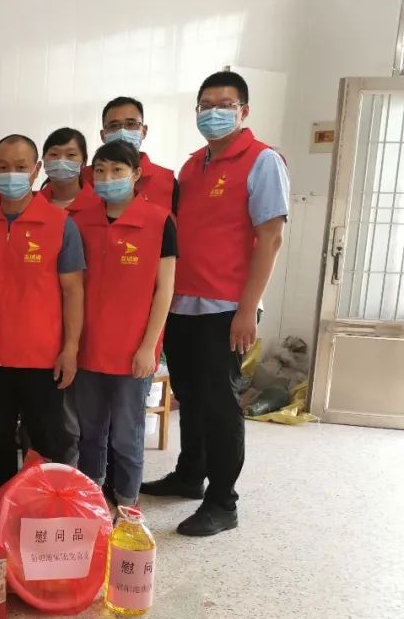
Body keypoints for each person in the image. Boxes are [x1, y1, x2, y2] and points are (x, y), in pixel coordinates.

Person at [141, 71, 288, 537]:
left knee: (220, 404)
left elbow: (271, 238)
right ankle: (190, 474)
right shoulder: (192, 166)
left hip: (226, 306)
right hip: (183, 302)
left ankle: (223, 501)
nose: (213, 113)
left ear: (243, 110)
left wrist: (248, 309)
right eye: (205, 105)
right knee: (191, 397)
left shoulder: (262, 161)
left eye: (224, 105)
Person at [0, 134, 83, 492]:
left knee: (46, 440)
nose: (11, 174)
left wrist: (70, 348)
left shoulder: (59, 223)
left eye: (20, 167)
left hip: (42, 356)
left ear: (36, 170)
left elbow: (73, 290)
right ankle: (3, 507)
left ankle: (44, 508)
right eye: (3, 167)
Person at [74, 141, 176, 507]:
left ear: (136, 175)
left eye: (117, 170)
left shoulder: (159, 221)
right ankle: (92, 502)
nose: (108, 178)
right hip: (87, 348)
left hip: (134, 350)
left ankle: (128, 504)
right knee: (89, 434)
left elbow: (165, 289)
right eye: (100, 171)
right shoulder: (80, 221)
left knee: (127, 435)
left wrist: (149, 347)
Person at [38, 126, 94, 467]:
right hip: (41, 328)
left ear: (84, 161)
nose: (61, 161)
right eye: (54, 154)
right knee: (49, 415)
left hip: (91, 318)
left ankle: (85, 482)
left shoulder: (101, 204)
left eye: (71, 155)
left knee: (83, 414)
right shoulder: (30, 205)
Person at [84, 96, 178, 212]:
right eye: (114, 125)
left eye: (131, 124)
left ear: (144, 131)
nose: (122, 132)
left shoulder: (167, 181)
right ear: (103, 135)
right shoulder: (83, 178)